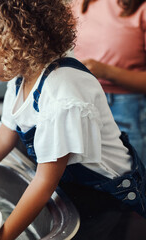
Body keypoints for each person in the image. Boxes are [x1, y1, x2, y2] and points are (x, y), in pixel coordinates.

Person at [0, 0, 146, 239]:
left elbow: (44, 183)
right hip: (78, 191)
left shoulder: (61, 94)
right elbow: (2, 139)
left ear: (12, 37)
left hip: (112, 199)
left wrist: (3, 236)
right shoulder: (21, 77)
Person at [72, 0, 146, 165]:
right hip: (82, 100)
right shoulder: (82, 3)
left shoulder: (141, 8)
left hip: (126, 108)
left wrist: (106, 71)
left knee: (132, 180)